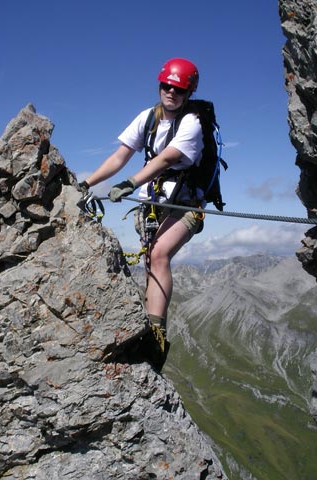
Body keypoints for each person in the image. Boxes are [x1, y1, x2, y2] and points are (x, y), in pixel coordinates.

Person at [79, 58, 205, 365]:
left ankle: (156, 338)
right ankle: (148, 327)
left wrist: (129, 183)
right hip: (150, 205)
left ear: (188, 92)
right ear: (160, 85)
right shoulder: (147, 118)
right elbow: (120, 155)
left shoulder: (193, 122)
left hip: (186, 205)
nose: (171, 92)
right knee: (151, 260)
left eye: (178, 88)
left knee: (159, 255)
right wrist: (85, 183)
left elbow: (166, 159)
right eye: (167, 86)